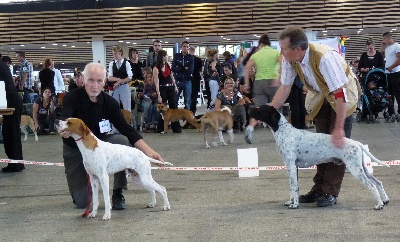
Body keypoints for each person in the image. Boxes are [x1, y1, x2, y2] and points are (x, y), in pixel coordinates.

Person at [267, 26, 360, 207]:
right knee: (319, 144)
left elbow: (340, 95)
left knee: (337, 144)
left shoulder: (324, 58)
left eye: (284, 48)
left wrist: (339, 128)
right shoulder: (289, 60)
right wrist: (266, 112)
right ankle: (318, 189)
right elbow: (285, 88)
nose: (281, 52)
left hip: (343, 93)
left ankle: (330, 192)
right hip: (320, 93)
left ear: (298, 49)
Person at [59, 62, 164, 210]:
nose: (95, 85)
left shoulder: (110, 102)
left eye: (99, 81)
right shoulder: (72, 97)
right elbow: (64, 118)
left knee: (122, 140)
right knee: (82, 203)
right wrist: (64, 131)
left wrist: (149, 152)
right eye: (90, 80)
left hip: (100, 147)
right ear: (83, 79)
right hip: (76, 149)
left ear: (105, 81)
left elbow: (126, 129)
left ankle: (118, 192)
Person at [244, 34, 281, 144]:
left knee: (258, 109)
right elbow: (283, 63)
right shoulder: (276, 52)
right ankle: (278, 134)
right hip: (272, 81)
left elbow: (247, 68)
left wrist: (246, 84)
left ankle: (250, 128)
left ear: (260, 44)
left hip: (259, 82)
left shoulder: (256, 54)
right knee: (276, 108)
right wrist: (278, 78)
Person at [0, 57, 24, 172]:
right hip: (11, 99)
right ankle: (17, 163)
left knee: (11, 134)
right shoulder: (2, 65)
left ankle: (16, 165)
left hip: (10, 101)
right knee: (11, 133)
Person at [153, 50, 181, 133]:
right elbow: (156, 82)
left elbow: (172, 76)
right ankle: (161, 128)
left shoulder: (168, 64)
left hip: (171, 87)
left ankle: (176, 128)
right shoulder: (156, 68)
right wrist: (159, 95)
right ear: (162, 57)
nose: (167, 57)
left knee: (173, 107)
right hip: (162, 88)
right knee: (163, 108)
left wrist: (175, 86)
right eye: (166, 55)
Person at [108, 45, 133, 112]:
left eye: (115, 53)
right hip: (114, 88)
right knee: (114, 108)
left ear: (120, 53)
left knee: (127, 108)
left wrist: (119, 82)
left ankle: (128, 122)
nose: (114, 55)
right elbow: (110, 77)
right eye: (113, 54)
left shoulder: (127, 63)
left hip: (124, 87)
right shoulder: (111, 63)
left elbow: (130, 77)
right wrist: (118, 80)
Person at [382, 32, 400, 116]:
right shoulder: (387, 48)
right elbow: (381, 55)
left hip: (395, 73)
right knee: (389, 93)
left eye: (384, 39)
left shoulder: (397, 46)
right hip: (388, 74)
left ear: (389, 38)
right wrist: (382, 46)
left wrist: (391, 67)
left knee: (397, 92)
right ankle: (391, 111)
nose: (384, 41)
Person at [172, 41, 194, 110]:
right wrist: (184, 68)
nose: (185, 48)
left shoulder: (191, 57)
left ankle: (187, 119)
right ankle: (175, 119)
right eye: (184, 46)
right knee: (175, 100)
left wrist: (179, 67)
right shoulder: (177, 56)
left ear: (188, 48)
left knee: (187, 102)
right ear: (181, 47)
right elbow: (173, 68)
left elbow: (190, 70)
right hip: (178, 81)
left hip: (187, 81)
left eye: (187, 47)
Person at [189, 46, 202, 114]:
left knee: (188, 96)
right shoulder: (198, 59)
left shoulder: (187, 58)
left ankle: (188, 111)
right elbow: (200, 70)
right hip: (196, 78)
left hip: (189, 78)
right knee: (194, 96)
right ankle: (193, 111)